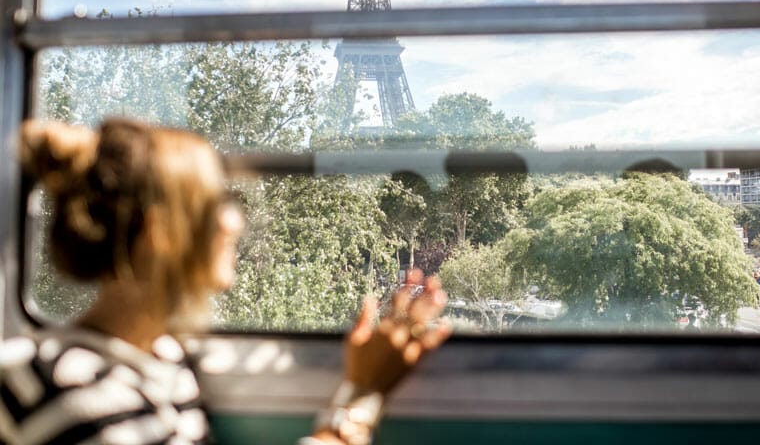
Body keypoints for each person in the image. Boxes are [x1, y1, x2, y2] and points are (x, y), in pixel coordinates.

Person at [0, 118, 450, 445]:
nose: (235, 221)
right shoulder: (82, 400)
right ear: (161, 233)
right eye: (217, 203)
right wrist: (358, 399)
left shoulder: (161, 358)